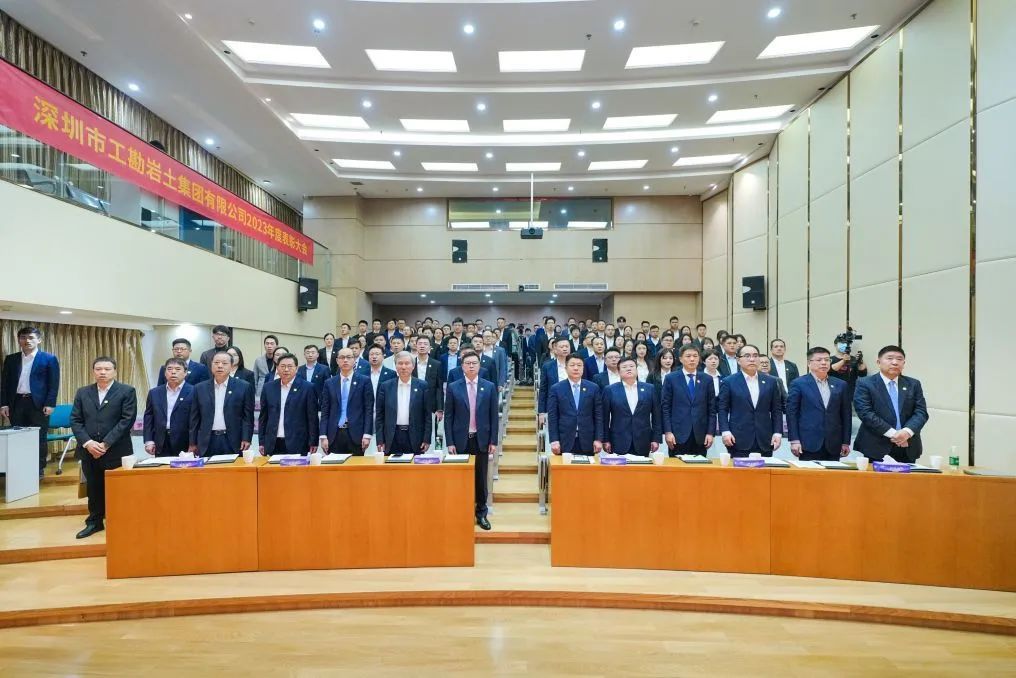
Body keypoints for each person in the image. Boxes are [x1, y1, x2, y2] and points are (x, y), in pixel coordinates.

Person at [70, 356, 137, 539]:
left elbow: (126, 420)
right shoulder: (83, 392)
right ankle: (95, 522)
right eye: (98, 369)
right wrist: (88, 443)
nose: (102, 372)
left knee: (119, 488)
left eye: (107, 369)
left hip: (117, 450)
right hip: (89, 450)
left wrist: (106, 443)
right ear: (93, 371)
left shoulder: (126, 391)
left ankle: (121, 522)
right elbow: (75, 420)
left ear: (115, 371)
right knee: (94, 487)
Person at [443, 351, 499, 530]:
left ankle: (481, 513)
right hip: (460, 440)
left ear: (479, 365)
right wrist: (450, 442)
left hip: (481, 439)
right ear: (462, 366)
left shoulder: (489, 386)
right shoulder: (454, 387)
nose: (471, 366)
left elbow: (494, 416)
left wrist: (493, 441)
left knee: (481, 479)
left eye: (475, 363)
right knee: (461, 479)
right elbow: (448, 417)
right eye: (468, 363)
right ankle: (462, 513)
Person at [852, 345, 929, 463]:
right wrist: (895, 434)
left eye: (899, 359)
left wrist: (907, 432)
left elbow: (921, 412)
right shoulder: (865, 383)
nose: (895, 362)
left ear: (904, 363)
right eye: (890, 358)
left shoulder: (913, 384)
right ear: (879, 362)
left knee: (907, 476)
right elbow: (865, 412)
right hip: (876, 446)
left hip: (907, 445)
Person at [1, 326, 60, 476]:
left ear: (39, 340)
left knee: (39, 437)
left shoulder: (49, 359)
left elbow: (53, 383)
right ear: (18, 340)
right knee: (17, 436)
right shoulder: (11, 359)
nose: (27, 340)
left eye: (31, 337)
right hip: (16, 403)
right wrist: (4, 404)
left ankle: (38, 469)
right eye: (23, 338)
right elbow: (4, 383)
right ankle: (19, 468)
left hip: (38, 405)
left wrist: (50, 403)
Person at [786, 346, 852, 461]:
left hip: (834, 443)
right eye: (819, 360)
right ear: (809, 363)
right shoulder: (798, 383)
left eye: (827, 360)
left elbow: (846, 414)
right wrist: (794, 440)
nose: (824, 363)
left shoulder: (841, 385)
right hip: (808, 442)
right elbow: (792, 413)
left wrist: (846, 442)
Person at [717, 344, 783, 457]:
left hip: (765, 438)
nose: (752, 359)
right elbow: (722, 409)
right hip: (738, 438)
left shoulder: (771, 382)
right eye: (747, 356)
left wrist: (777, 433)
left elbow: (776, 410)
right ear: (738, 360)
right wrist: (725, 431)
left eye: (755, 356)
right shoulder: (729, 382)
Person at [189, 351, 254, 457]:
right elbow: (194, 418)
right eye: (216, 363)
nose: (220, 366)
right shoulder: (199, 388)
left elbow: (247, 417)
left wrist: (246, 438)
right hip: (207, 440)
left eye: (224, 363)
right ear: (211, 365)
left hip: (233, 440)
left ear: (231, 366)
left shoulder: (244, 387)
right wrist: (192, 442)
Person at [258, 354, 318, 456]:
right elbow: (263, 417)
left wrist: (313, 441)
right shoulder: (268, 387)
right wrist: (262, 441)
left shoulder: (307, 388)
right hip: (273, 442)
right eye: (282, 366)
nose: (286, 369)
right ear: (277, 368)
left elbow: (312, 417)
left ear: (296, 368)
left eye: (290, 366)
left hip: (298, 442)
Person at [662, 345, 716, 456]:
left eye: (695, 356)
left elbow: (711, 409)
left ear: (699, 358)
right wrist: (668, 431)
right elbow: (665, 408)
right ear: (681, 359)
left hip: (700, 435)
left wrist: (710, 433)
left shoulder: (707, 379)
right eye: (688, 356)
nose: (692, 359)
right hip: (677, 435)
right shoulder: (671, 378)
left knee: (699, 466)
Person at [375, 352, 432, 456]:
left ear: (413, 366)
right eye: (400, 363)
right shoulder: (386, 386)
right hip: (392, 437)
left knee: (414, 466)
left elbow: (427, 415)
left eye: (407, 363)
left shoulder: (422, 386)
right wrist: (380, 440)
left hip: (415, 436)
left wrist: (426, 439)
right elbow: (380, 415)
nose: (403, 367)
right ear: (395, 366)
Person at [319, 348, 374, 456]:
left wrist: (367, 434)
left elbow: (368, 410)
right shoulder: (329, 383)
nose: (345, 360)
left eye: (348, 357)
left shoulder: (364, 381)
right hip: (334, 435)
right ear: (337, 361)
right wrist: (323, 436)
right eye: (342, 357)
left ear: (354, 360)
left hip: (356, 435)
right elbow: (325, 411)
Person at [547, 354, 603, 456]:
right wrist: (554, 440)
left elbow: (598, 415)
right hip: (564, 440)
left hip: (588, 440)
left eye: (579, 365)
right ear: (566, 368)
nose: (576, 368)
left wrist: (598, 439)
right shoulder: (556, 388)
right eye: (572, 365)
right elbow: (552, 416)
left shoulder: (593, 388)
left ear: (583, 368)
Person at [603, 357, 660, 456]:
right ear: (619, 372)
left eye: (631, 366)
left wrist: (656, 439)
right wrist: (605, 439)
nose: (628, 369)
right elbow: (604, 417)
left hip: (643, 440)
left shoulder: (649, 388)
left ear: (637, 370)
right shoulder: (610, 390)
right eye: (624, 367)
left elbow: (656, 416)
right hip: (618, 440)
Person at [142, 358, 193, 457]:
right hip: (161, 441)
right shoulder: (154, 392)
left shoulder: (194, 391)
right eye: (169, 369)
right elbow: (149, 417)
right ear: (165, 373)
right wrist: (149, 440)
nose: (173, 372)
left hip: (185, 442)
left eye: (178, 369)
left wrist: (194, 443)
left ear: (185, 373)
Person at [538, 337, 572, 426]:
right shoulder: (547, 366)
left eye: (567, 346)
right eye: (562, 347)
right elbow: (543, 390)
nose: (565, 349)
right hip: (554, 405)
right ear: (555, 349)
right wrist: (541, 412)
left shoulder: (576, 364)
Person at [413, 336, 443, 420]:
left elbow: (439, 388)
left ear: (430, 347)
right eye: (420, 344)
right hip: (413, 403)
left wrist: (439, 408)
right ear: (416, 346)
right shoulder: (410, 363)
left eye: (425, 344)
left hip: (431, 405)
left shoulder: (436, 364)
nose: (422, 346)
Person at [252, 334, 279, 400]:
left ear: (277, 346)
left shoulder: (280, 360)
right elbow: (255, 378)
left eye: (272, 343)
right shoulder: (258, 360)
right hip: (261, 391)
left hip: (276, 389)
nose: (269, 346)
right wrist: (256, 392)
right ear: (264, 345)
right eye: (267, 343)